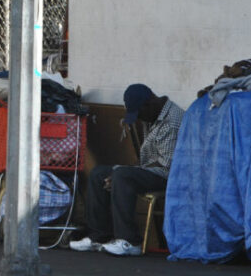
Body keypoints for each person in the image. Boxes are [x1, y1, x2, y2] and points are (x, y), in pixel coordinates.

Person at [70, 83, 184, 256]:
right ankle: (99, 236)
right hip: (152, 169)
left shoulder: (171, 122)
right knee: (99, 173)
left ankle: (130, 240)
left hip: (170, 174)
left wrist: (123, 171)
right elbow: (148, 161)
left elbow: (166, 165)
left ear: (149, 103)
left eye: (139, 114)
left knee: (122, 176)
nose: (139, 118)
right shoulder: (153, 114)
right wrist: (120, 170)